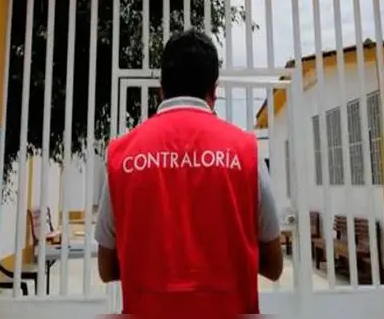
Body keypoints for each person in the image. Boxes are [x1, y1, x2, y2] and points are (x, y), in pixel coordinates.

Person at [95, 29, 284, 316]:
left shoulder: (122, 155)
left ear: (162, 88)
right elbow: (274, 265)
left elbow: (107, 268)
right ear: (214, 90)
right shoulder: (247, 152)